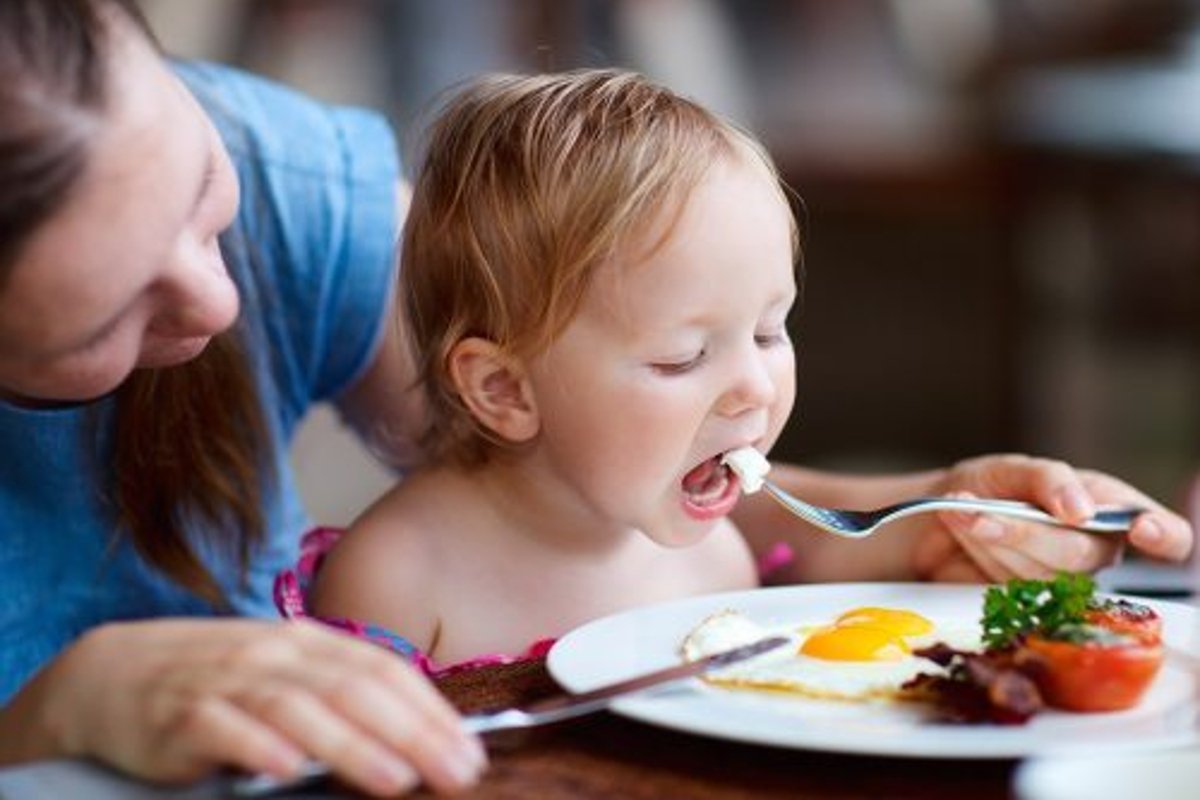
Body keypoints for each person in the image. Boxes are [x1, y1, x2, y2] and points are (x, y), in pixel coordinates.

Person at [289, 69, 1194, 672]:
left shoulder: (718, 545)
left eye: (770, 333)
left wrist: (977, 520)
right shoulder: (400, 580)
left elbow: (851, 559)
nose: (755, 389)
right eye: (684, 355)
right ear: (505, 389)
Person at [0, 1, 484, 796]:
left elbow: (557, 470)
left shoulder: (282, 174)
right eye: (100, 323)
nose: (218, 302)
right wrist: (45, 722)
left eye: (201, 188)